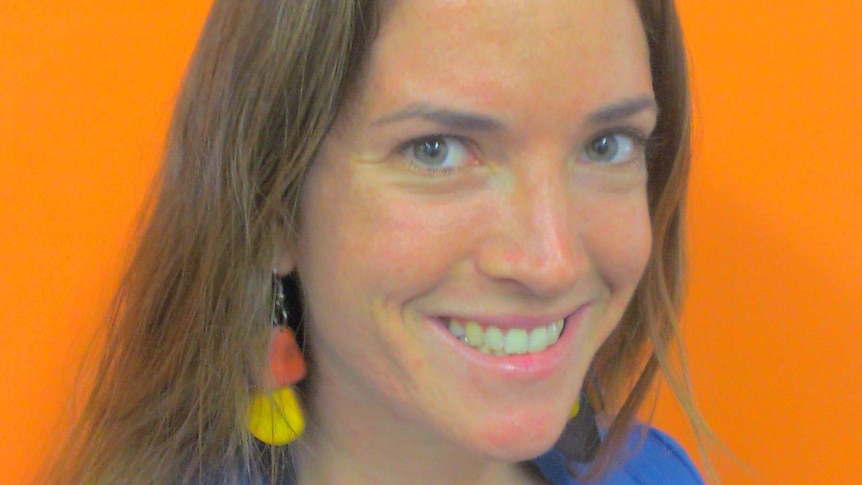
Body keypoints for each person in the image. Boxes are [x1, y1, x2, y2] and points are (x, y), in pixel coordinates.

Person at [48, 0, 711, 483]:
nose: (551, 259)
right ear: (274, 212)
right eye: (437, 150)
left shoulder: (655, 474)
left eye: (606, 145)